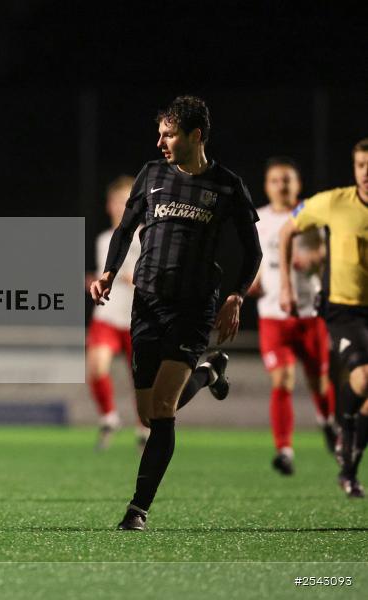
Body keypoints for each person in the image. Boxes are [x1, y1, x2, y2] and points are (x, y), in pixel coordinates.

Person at [90, 96, 262, 530]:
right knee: (148, 414)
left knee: (163, 408)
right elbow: (126, 228)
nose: (161, 141)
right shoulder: (151, 175)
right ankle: (208, 373)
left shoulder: (226, 186)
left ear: (195, 136)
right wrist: (109, 272)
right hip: (146, 303)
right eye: (161, 133)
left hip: (194, 306)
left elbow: (253, 251)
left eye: (169, 134)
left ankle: (138, 509)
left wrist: (237, 296)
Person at [279, 138, 368, 498]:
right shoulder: (334, 202)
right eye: (361, 165)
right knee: (363, 375)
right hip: (342, 308)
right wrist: (285, 285)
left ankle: (348, 469)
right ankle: (342, 428)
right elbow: (288, 229)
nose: (366, 172)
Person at [251, 157, 336, 476]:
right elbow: (258, 261)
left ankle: (327, 422)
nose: (282, 185)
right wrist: (255, 283)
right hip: (273, 315)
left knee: (319, 382)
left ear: (297, 185)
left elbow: (329, 255)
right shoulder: (259, 218)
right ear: (266, 186)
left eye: (287, 180)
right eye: (275, 180)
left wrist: (314, 258)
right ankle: (284, 449)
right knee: (282, 381)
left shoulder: (311, 214)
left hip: (310, 313)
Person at [86, 175, 147, 451]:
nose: (122, 206)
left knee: (142, 381)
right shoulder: (103, 239)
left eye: (127, 201)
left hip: (137, 318)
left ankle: (144, 427)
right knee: (95, 367)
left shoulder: (145, 235)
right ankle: (109, 417)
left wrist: (136, 278)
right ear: (109, 205)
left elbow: (159, 277)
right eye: (117, 201)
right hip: (107, 317)